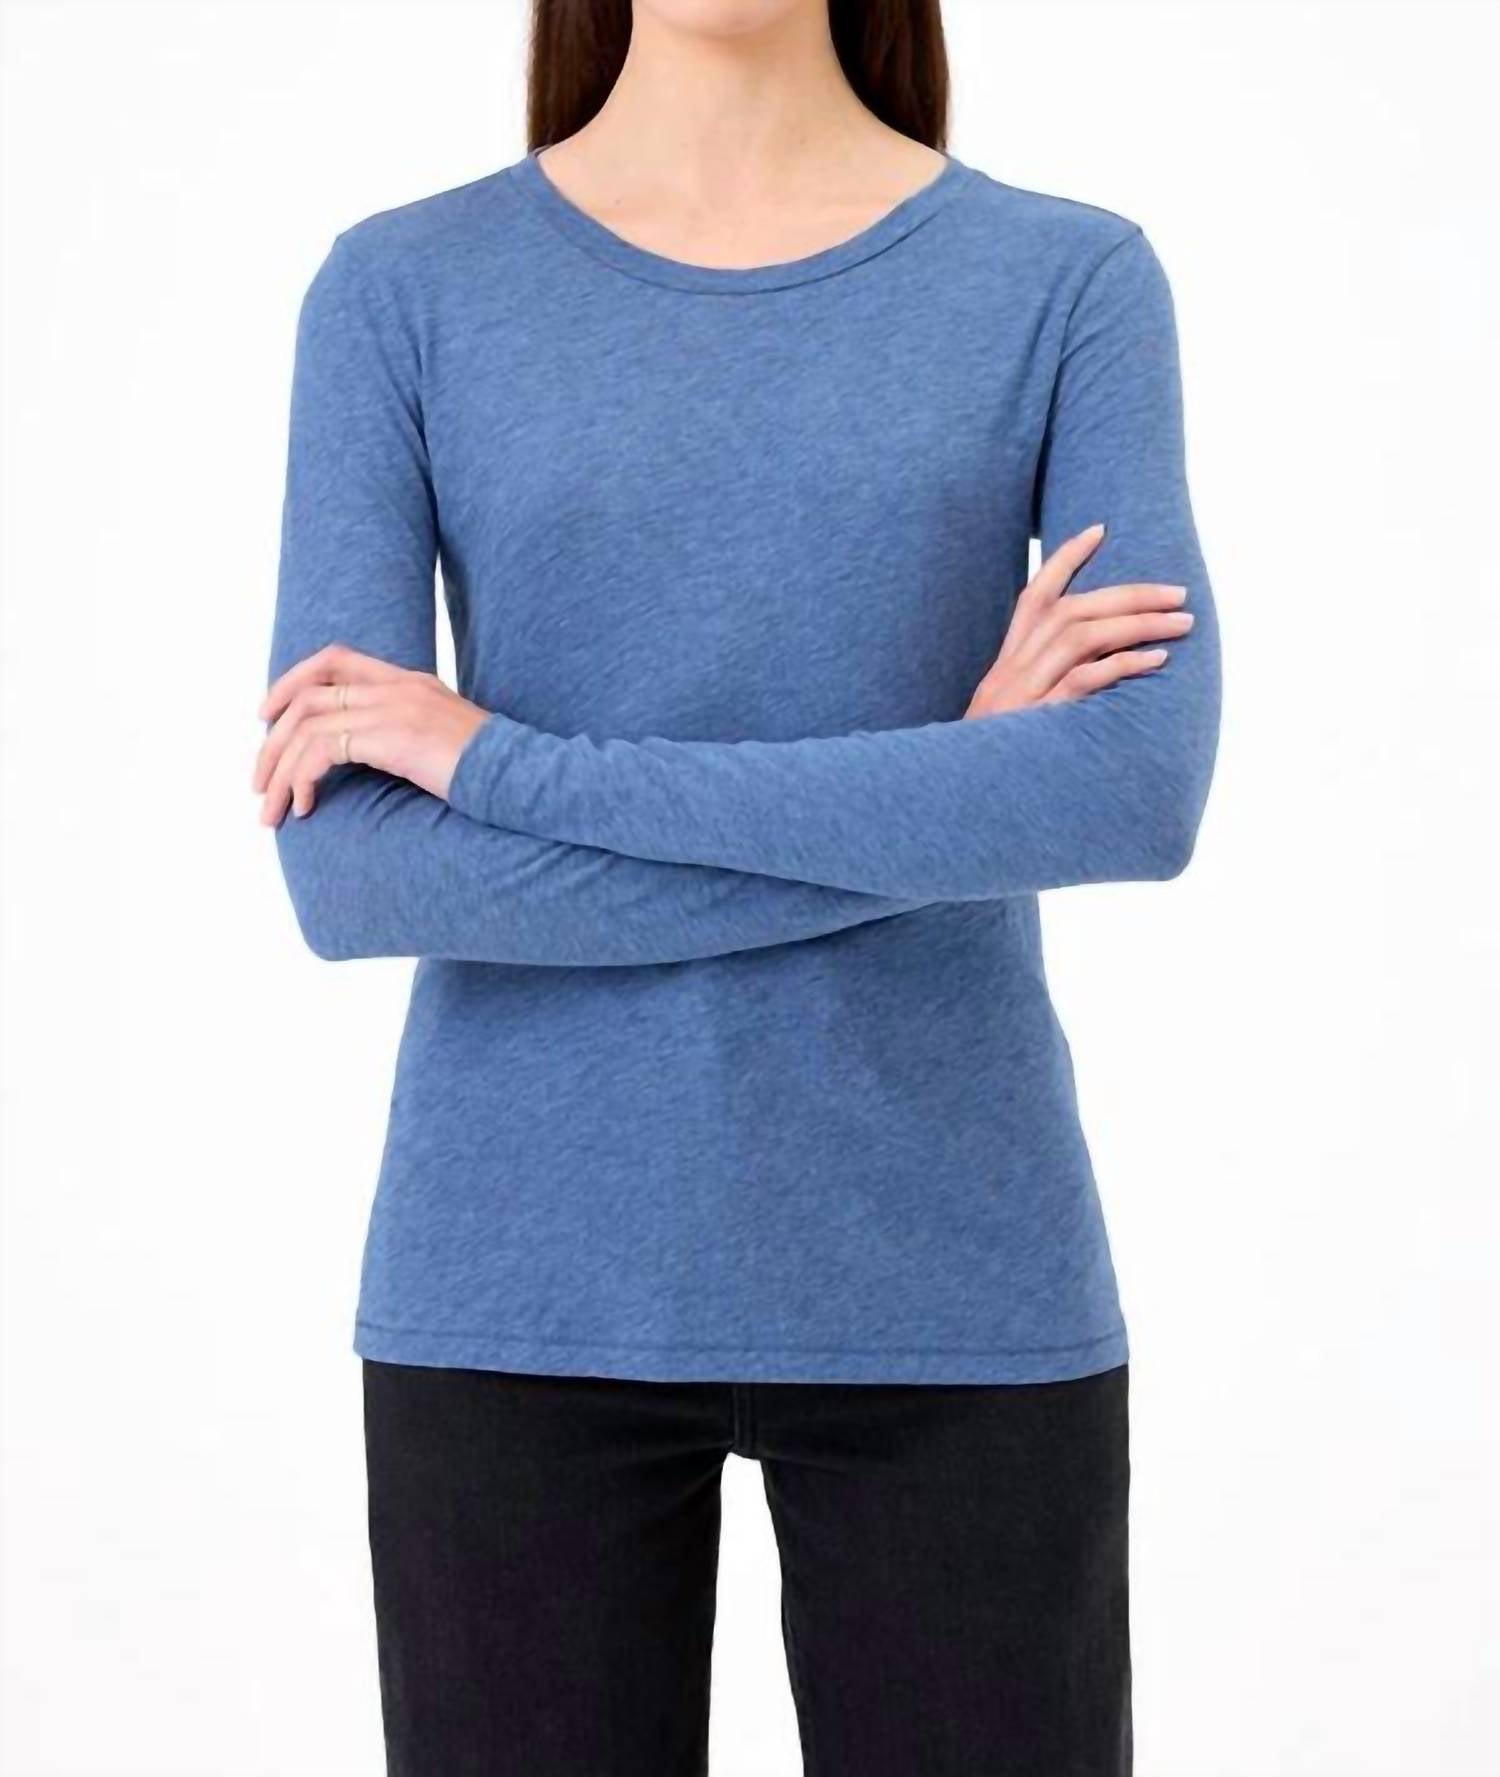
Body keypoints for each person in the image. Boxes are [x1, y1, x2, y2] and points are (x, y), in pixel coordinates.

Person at [252, 0, 1221, 1770]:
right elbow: (357, 871)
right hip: (519, 1281)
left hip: (955, 1275)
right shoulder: (402, 290)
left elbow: (1128, 791)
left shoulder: (1067, 281)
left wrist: (502, 762)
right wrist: (945, 789)